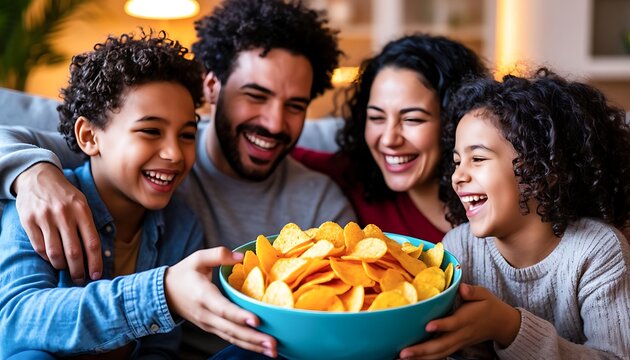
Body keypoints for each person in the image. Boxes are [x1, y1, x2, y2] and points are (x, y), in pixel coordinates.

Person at [0, 0, 354, 356]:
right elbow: (14, 323)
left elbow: (160, 348)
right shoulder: (56, 184)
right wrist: (30, 173)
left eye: (295, 105)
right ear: (213, 87)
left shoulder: (181, 222)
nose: (275, 123)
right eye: (255, 95)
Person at [400, 69, 630, 359]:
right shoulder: (459, 248)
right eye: (457, 161)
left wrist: (508, 327)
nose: (458, 176)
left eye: (478, 158)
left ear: (543, 171)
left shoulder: (598, 251)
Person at [292, 33, 490, 244]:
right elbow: (276, 149)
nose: (388, 139)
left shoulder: (495, 196)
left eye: (412, 119)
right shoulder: (354, 176)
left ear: (455, 122)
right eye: (377, 117)